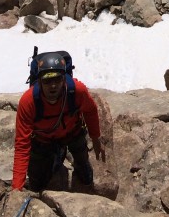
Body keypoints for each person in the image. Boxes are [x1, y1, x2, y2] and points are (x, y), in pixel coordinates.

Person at [12, 50, 105, 192]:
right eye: (47, 80)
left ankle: (78, 164)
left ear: (64, 79)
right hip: (43, 140)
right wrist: (16, 188)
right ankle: (58, 155)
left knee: (84, 168)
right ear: (39, 81)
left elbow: (90, 110)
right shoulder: (28, 102)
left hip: (73, 132)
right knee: (37, 184)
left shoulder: (77, 91)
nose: (53, 85)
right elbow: (22, 145)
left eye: (57, 79)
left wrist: (95, 138)